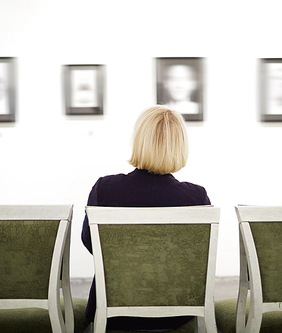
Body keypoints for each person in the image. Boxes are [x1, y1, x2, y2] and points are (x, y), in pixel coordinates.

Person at [81, 105, 211, 331]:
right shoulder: (196, 197)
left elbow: (90, 242)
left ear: (139, 140)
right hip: (178, 312)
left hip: (112, 310)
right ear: (180, 146)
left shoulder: (105, 190)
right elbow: (199, 260)